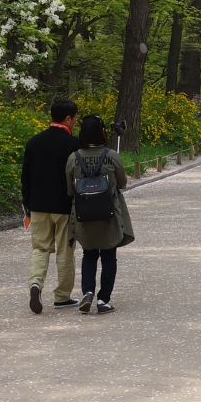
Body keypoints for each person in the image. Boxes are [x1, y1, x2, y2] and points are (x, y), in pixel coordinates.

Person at [65, 115, 135, 313]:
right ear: (102, 132)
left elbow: (70, 190)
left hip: (84, 215)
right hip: (108, 214)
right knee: (109, 257)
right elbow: (122, 183)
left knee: (89, 254)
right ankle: (103, 300)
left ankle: (87, 292)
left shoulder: (74, 157)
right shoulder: (111, 156)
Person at [19, 98, 83, 314]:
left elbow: (26, 177)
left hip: (38, 205)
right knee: (65, 251)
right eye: (75, 118)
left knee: (40, 248)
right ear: (68, 118)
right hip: (64, 206)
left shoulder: (34, 142)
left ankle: (35, 283)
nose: (75, 122)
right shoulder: (73, 144)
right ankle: (62, 296)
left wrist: (27, 203)